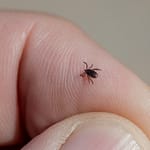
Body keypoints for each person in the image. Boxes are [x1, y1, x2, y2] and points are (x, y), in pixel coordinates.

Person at [0, 11, 150, 150]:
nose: (86, 72)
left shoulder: (88, 73)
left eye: (87, 71)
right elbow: (92, 72)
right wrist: (89, 76)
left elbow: (90, 73)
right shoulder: (90, 73)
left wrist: (88, 76)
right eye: (87, 72)